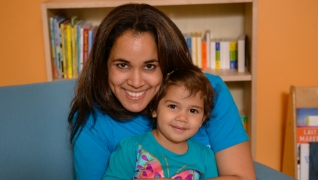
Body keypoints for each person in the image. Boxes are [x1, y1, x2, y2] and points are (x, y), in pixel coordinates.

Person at [68, 3, 255, 180]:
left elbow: (242, 177)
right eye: (122, 65)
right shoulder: (92, 122)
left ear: (168, 66)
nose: (135, 82)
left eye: (149, 66)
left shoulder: (210, 92)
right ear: (104, 66)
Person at [103, 68, 218, 179]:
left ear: (203, 118)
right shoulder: (131, 147)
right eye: (173, 106)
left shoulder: (205, 156)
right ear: (154, 109)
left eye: (193, 111)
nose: (182, 118)